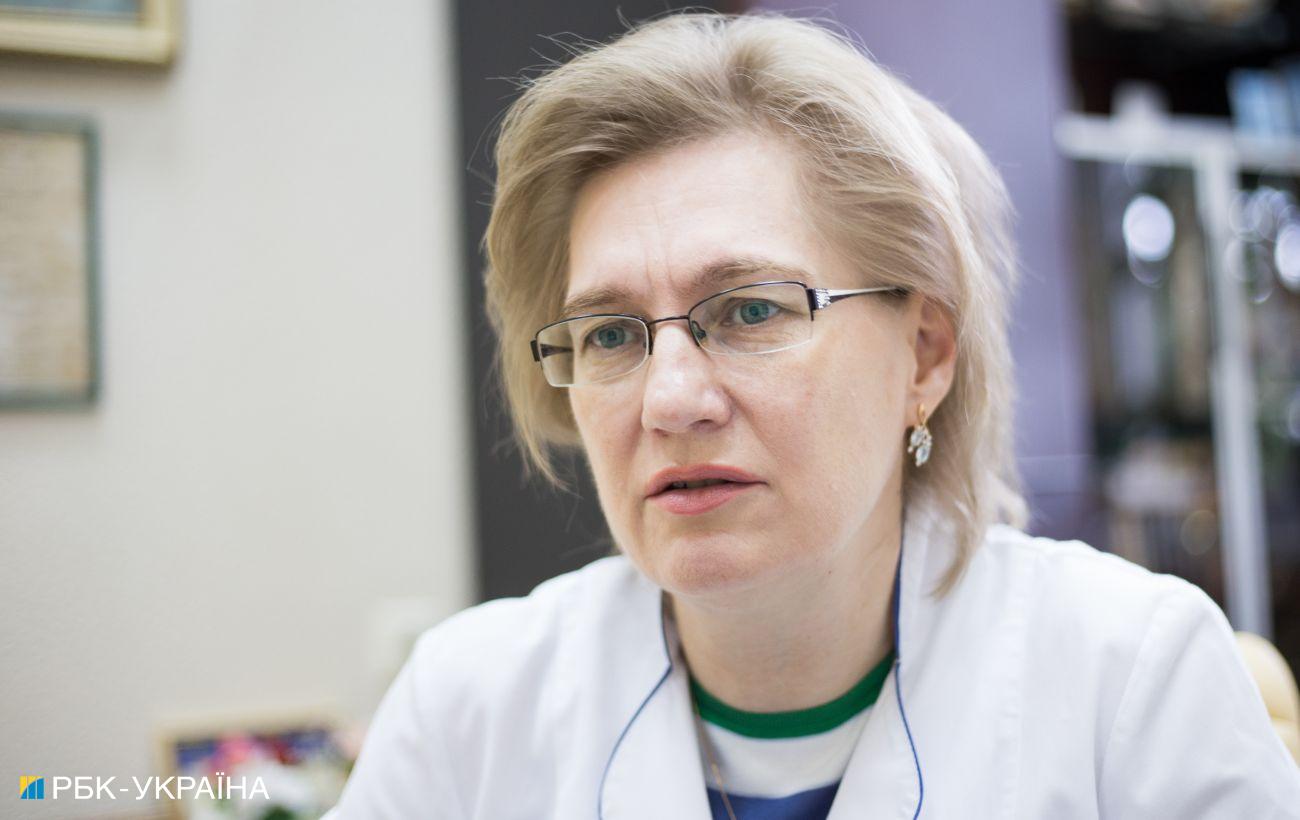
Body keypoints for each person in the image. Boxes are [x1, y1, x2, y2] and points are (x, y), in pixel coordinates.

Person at [326, 10, 1300, 818]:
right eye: (611, 334)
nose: (669, 400)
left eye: (750, 311)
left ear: (924, 355)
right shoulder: (467, 711)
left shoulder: (1133, 684)